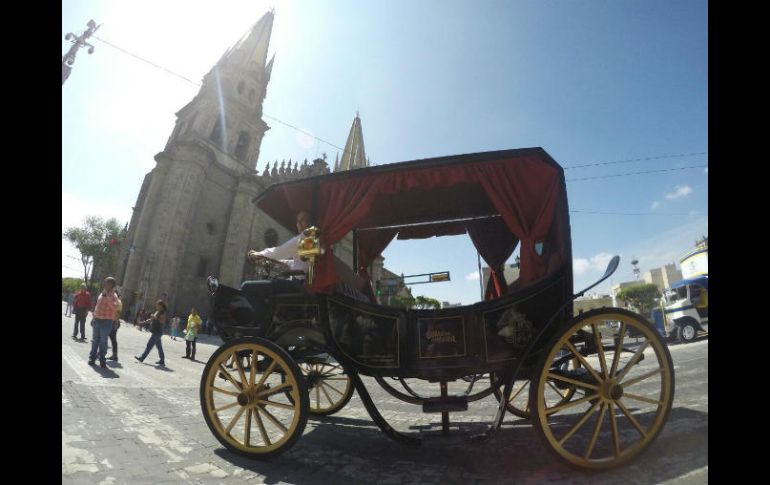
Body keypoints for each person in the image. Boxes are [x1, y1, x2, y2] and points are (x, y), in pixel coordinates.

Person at [88, 277, 121, 368]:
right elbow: (97, 306)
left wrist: (107, 298)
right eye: (104, 282)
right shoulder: (102, 293)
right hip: (97, 320)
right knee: (95, 340)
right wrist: (93, 318)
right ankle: (92, 358)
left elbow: (115, 308)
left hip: (106, 321)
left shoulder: (114, 296)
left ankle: (102, 359)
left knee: (103, 341)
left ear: (111, 285)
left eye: (106, 283)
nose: (104, 284)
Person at [135, 300, 167, 366]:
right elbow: (151, 319)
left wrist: (156, 318)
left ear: (161, 305)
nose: (156, 306)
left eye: (157, 305)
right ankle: (162, 360)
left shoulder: (163, 312)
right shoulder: (157, 312)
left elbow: (162, 321)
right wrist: (142, 323)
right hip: (155, 331)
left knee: (149, 345)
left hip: (158, 332)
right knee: (159, 347)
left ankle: (142, 358)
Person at [106, 291, 123, 362]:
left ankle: (114, 355)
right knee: (111, 339)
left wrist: (115, 324)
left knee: (110, 338)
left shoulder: (118, 302)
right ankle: (114, 355)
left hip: (114, 323)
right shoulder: (114, 301)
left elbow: (118, 313)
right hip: (111, 322)